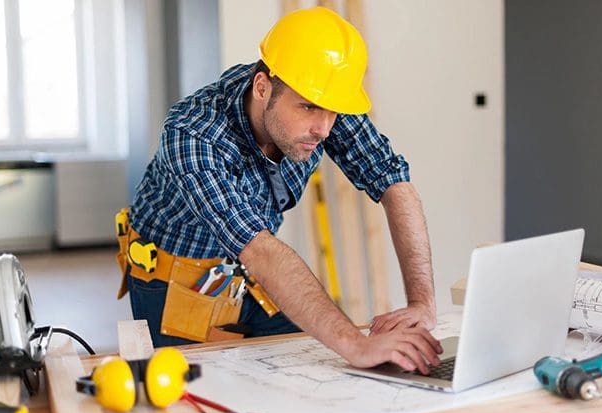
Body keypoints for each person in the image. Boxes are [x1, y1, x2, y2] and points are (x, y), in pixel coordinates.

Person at [118, 6, 443, 374]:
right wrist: (355, 343)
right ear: (262, 87)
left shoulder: (321, 100)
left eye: (332, 112)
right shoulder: (193, 134)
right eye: (307, 108)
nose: (323, 128)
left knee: (309, 377)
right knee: (195, 401)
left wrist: (422, 304)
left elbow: (394, 183)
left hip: (246, 274)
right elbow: (259, 248)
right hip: (174, 281)